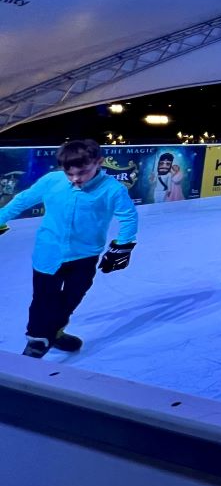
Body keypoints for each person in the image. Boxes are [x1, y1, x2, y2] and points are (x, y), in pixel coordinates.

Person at [0, 139, 138, 358]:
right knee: (44, 298)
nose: (75, 179)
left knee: (72, 297)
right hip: (48, 252)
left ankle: (55, 331)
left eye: (83, 172)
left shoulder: (112, 189)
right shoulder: (51, 181)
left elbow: (128, 216)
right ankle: (37, 339)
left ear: (98, 162)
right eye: (69, 173)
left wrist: (123, 246)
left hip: (85, 255)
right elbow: (22, 200)